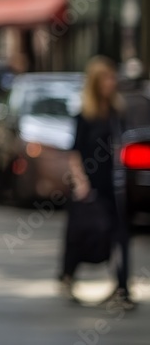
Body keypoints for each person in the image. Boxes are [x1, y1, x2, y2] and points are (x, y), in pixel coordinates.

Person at [61, 56, 134, 309]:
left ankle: (123, 288)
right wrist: (81, 183)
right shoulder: (84, 116)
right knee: (82, 234)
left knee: (120, 235)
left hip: (113, 186)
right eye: (106, 78)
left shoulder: (116, 113)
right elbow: (74, 152)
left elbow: (122, 147)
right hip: (89, 186)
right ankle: (67, 275)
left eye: (113, 78)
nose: (111, 83)